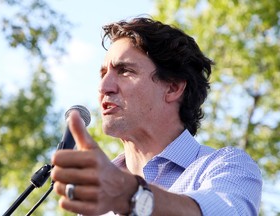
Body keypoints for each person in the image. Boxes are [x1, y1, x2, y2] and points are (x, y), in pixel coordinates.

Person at [51, 17, 262, 216]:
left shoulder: (225, 166)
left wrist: (130, 195)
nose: (104, 86)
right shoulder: (100, 191)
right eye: (103, 74)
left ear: (173, 87)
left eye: (124, 71)